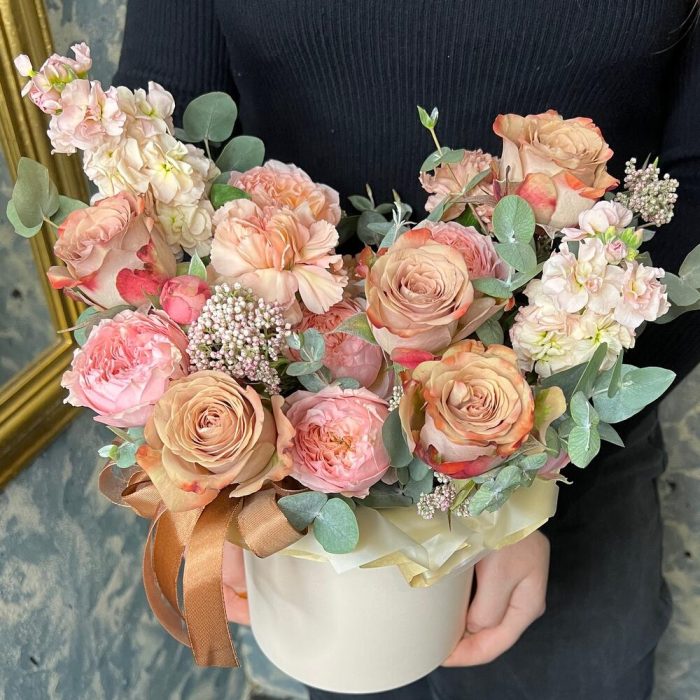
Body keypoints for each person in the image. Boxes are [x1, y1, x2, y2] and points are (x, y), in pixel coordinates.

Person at [114, 2, 700, 698]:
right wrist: (231, 478)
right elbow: (154, 140)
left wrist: (518, 490)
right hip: (303, 466)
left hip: (574, 460)